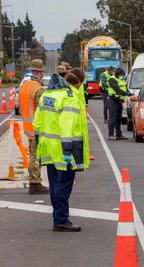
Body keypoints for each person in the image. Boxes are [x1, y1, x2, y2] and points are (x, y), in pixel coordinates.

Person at [33, 71, 87, 232]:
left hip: (48, 148)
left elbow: (37, 123)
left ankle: (58, 217)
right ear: (75, 85)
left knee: (55, 183)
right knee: (63, 185)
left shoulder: (46, 95)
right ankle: (61, 219)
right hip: (64, 150)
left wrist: (39, 143)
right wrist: (68, 151)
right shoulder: (68, 98)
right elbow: (67, 126)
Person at [19, 59, 49, 194]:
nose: (42, 74)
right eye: (42, 72)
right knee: (36, 157)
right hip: (36, 128)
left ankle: (34, 182)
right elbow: (42, 109)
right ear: (39, 72)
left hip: (27, 126)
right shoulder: (37, 89)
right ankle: (35, 184)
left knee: (33, 155)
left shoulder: (25, 85)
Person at [107, 68, 129, 140]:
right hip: (113, 100)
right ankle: (111, 134)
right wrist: (126, 93)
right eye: (120, 75)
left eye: (122, 75)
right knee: (112, 118)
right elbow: (117, 89)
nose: (121, 76)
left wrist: (129, 92)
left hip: (119, 101)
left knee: (118, 119)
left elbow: (125, 87)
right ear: (117, 74)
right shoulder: (112, 79)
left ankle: (118, 134)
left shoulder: (122, 80)